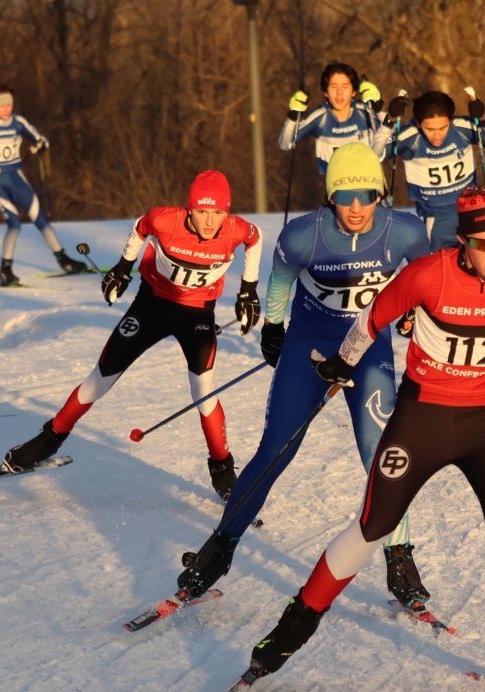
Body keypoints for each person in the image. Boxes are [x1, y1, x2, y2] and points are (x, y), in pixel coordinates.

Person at [236, 185, 485, 692]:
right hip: (423, 418)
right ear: (461, 240)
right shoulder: (425, 274)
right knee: (373, 526)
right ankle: (287, 634)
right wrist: (339, 365)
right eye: (483, 244)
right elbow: (371, 320)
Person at [175, 143, 436, 611]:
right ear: (330, 195)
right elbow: (279, 281)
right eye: (345, 196)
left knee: (381, 454)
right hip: (310, 345)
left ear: (380, 194)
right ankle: (218, 550)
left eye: (366, 196)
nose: (356, 208)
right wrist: (274, 330)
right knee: (276, 450)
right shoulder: (303, 235)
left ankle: (400, 559)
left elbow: (423, 280)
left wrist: (413, 314)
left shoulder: (407, 231)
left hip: (369, 347)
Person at [0, 171, 263, 499]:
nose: (210, 222)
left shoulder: (236, 229)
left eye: (218, 213)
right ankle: (49, 439)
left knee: (204, 390)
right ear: (190, 209)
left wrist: (248, 289)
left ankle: (222, 468)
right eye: (203, 212)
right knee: (102, 376)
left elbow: (256, 238)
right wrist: (124, 267)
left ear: (227, 212)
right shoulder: (165, 220)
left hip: (197, 312)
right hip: (153, 305)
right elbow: (141, 226)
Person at [0, 85, 86, 285]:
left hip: (17, 177)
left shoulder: (18, 122)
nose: (6, 109)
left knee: (41, 219)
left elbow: (40, 139)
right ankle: (5, 270)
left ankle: (64, 260)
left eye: (9, 105)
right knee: (14, 224)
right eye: (2, 106)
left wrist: (40, 145)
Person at [374, 90, 485, 251]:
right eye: (430, 129)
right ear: (419, 123)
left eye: (443, 127)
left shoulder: (463, 128)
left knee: (475, 271)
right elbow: (374, 157)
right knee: (436, 272)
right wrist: (388, 123)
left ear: (450, 120)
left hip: (471, 214)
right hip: (435, 223)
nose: (437, 136)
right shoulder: (410, 137)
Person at [279, 62, 384, 175]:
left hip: (370, 184)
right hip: (335, 187)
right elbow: (285, 144)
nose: (339, 93)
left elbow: (392, 138)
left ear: (353, 92)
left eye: (345, 87)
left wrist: (379, 108)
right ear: (326, 92)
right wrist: (292, 116)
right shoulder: (320, 117)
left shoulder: (365, 112)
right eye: (334, 87)